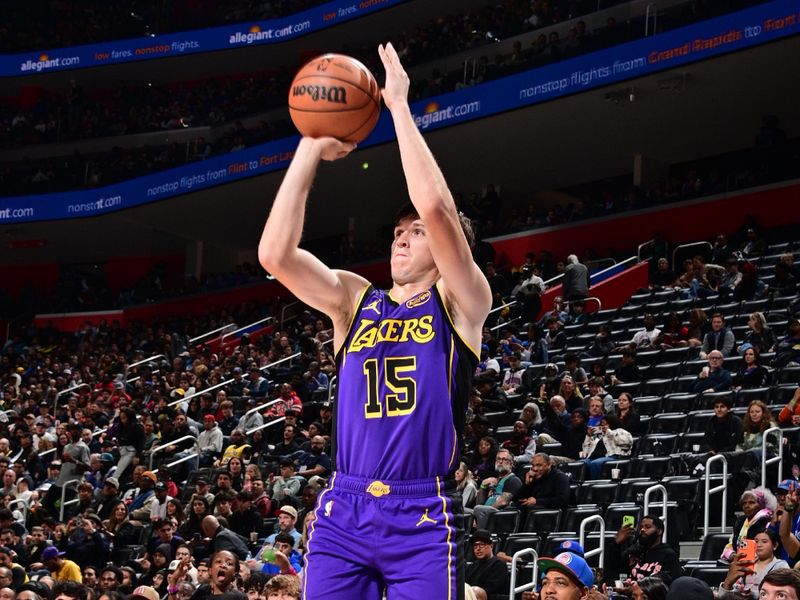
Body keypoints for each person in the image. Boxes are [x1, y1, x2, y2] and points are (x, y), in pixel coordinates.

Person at [257, 43, 492, 600]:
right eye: (397, 231)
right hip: (346, 506)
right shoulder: (355, 300)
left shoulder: (462, 301)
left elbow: (436, 209)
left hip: (423, 510)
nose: (402, 237)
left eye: (414, 233)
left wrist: (400, 108)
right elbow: (274, 255)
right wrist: (310, 147)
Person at [612, 515, 681, 584]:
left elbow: (670, 584)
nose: (642, 530)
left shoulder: (668, 555)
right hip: (630, 593)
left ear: (659, 531)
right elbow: (614, 568)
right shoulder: (634, 551)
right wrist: (616, 543)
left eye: (647, 527)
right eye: (641, 527)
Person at [719, 530, 788, 598]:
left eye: (764, 541)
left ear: (775, 545)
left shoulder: (781, 566)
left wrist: (752, 594)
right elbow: (731, 591)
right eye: (756, 541)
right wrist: (728, 583)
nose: (759, 545)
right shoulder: (746, 563)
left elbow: (781, 593)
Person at [722, 487, 777, 561]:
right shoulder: (740, 521)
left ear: (761, 505)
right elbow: (731, 544)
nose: (747, 506)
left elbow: (765, 548)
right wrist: (733, 555)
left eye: (751, 502)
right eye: (744, 503)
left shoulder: (767, 522)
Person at [464, 530, 508, 599]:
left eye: (482, 545)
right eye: (475, 545)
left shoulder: (499, 565)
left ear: (491, 546)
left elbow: (487, 592)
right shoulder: (472, 566)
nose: (478, 549)